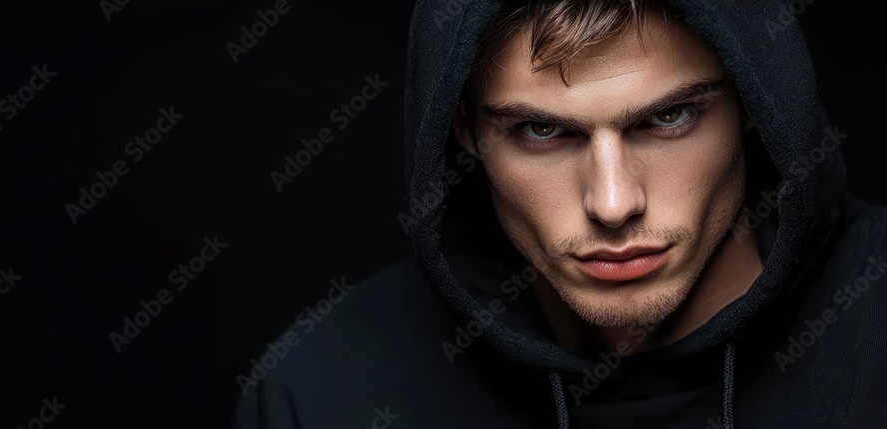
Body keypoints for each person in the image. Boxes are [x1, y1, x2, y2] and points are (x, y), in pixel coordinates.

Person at [235, 0, 887, 427]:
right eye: (542, 132)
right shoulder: (321, 394)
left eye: (669, 116)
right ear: (462, 128)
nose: (612, 203)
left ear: (750, 102)